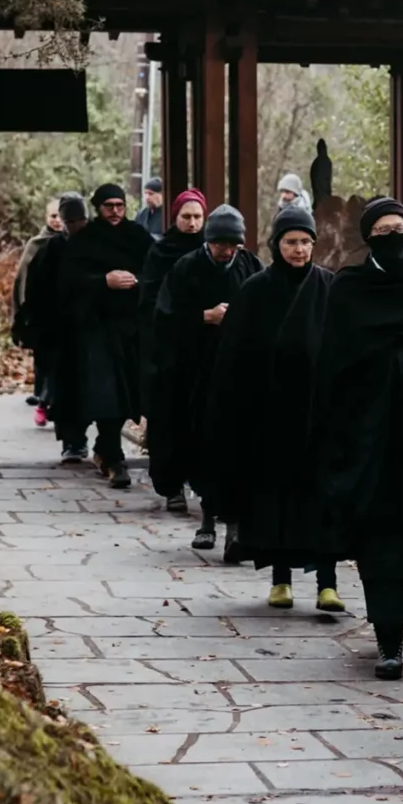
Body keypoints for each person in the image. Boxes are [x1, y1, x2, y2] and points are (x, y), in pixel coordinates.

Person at [313, 197, 403, 677]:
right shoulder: (349, 288)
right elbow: (333, 360)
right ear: (368, 237)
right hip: (368, 440)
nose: (394, 238)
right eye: (384, 231)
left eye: (401, 229)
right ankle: (387, 637)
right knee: (378, 541)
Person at [208, 204, 343, 614]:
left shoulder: (330, 287)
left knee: (321, 500)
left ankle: (327, 583)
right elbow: (234, 356)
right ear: (276, 244)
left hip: (319, 413)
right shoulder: (256, 290)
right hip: (269, 414)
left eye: (305, 241)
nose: (299, 250)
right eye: (290, 242)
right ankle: (280, 579)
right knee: (276, 500)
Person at [152, 202, 260, 550]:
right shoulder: (185, 268)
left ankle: (236, 526)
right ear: (208, 241)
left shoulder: (250, 266)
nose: (227, 251)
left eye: (233, 244)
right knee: (201, 445)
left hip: (239, 370)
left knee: (237, 447)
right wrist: (204, 317)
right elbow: (163, 318)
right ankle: (207, 520)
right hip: (195, 371)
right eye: (220, 244)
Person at [56, 183, 152, 485]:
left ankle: (106, 449)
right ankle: (112, 455)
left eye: (120, 206)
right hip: (96, 329)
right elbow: (68, 283)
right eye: (109, 206)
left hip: (131, 328)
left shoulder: (138, 237)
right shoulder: (85, 241)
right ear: (98, 208)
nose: (115, 212)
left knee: (130, 391)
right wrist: (103, 282)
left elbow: (155, 273)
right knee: (106, 391)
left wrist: (136, 281)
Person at [139, 189, 208, 511]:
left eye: (198, 217)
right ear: (175, 217)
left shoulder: (215, 250)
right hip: (169, 350)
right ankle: (172, 486)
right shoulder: (161, 252)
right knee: (169, 419)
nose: (192, 223)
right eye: (186, 217)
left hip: (205, 350)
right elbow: (150, 300)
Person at [28, 193, 86, 452]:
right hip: (59, 330)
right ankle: (71, 441)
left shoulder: (97, 245)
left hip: (90, 328)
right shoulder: (50, 249)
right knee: (63, 387)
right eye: (70, 221)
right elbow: (35, 289)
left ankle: (86, 441)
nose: (75, 226)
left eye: (80, 220)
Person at [11, 197, 64, 421]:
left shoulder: (76, 242)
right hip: (41, 311)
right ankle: (42, 396)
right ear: (46, 217)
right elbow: (22, 278)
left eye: (61, 216)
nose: (57, 220)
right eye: (53, 216)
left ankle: (48, 399)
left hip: (64, 311)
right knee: (43, 357)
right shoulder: (36, 243)